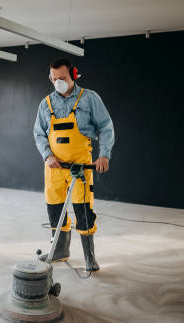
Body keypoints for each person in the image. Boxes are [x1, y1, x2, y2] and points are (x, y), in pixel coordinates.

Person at [33, 58, 115, 271]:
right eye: (54, 79)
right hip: (54, 167)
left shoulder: (89, 98)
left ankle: (90, 257)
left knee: (83, 210)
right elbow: (39, 133)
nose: (58, 82)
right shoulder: (46, 103)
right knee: (54, 208)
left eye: (63, 78)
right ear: (50, 78)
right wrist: (47, 156)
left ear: (74, 75)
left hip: (80, 166)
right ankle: (60, 251)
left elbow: (106, 127)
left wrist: (104, 155)